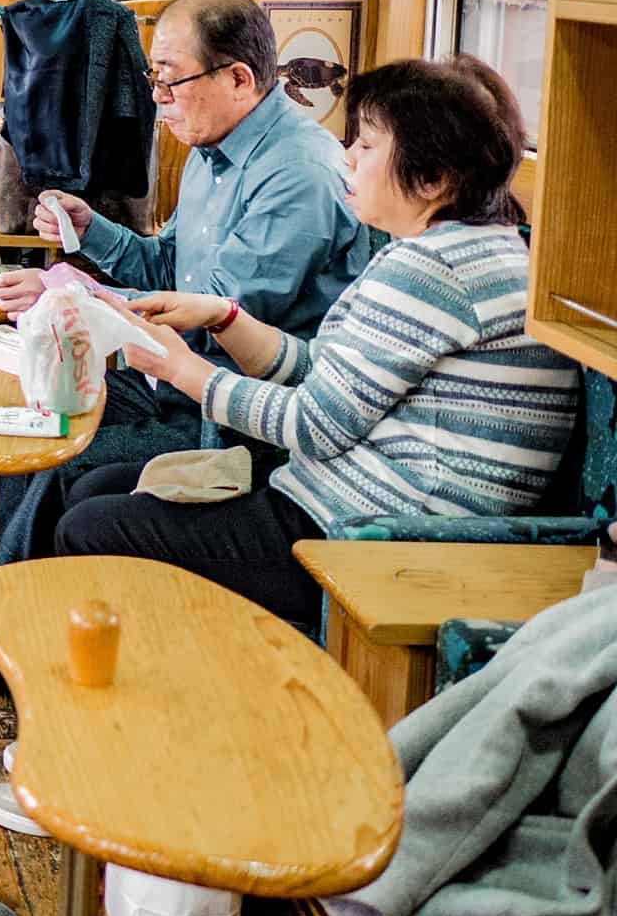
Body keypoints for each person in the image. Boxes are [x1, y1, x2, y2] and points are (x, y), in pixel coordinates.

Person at [0, 0, 373, 704]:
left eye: (169, 79)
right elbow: (165, 268)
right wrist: (92, 232)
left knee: (68, 460)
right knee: (38, 407)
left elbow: (209, 314)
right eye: (152, 79)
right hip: (170, 378)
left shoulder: (297, 175)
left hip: (230, 413)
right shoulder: (214, 155)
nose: (157, 98)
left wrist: (74, 296)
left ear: (239, 79)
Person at [51, 57, 578, 637]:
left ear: (433, 181)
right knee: (95, 488)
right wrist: (225, 317)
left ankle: (153, 701)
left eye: (369, 145)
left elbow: (312, 426)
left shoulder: (434, 270)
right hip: (352, 500)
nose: (347, 156)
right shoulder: (464, 249)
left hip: (380, 535)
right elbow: (326, 373)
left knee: (93, 526)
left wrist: (182, 369)